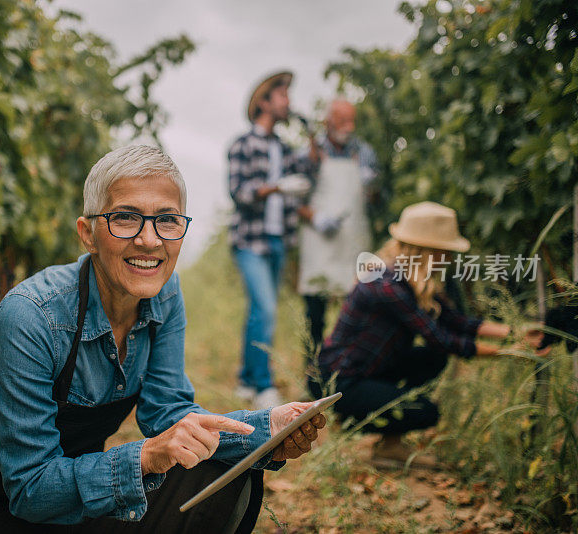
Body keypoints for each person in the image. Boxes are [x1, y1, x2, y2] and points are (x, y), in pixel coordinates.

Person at [0, 145, 327, 532]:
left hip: (73, 504)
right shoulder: (32, 315)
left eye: (167, 220)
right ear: (87, 234)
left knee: (217, 467)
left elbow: (167, 411)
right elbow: (30, 490)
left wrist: (267, 430)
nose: (150, 240)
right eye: (125, 218)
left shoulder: (165, 294)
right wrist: (146, 457)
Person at [308, 201, 546, 464]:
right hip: (337, 381)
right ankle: (353, 416)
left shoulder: (407, 279)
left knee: (431, 358)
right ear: (426, 251)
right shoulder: (386, 284)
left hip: (368, 369)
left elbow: (456, 320)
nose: (449, 259)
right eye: (445, 252)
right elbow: (440, 338)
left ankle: (387, 442)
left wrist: (517, 332)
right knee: (425, 411)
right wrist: (510, 352)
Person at [228, 71, 314, 410]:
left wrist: (311, 136)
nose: (288, 101)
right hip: (250, 241)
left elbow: (309, 170)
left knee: (258, 311)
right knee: (265, 308)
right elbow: (239, 193)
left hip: (278, 240)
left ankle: (246, 379)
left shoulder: (285, 148)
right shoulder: (243, 145)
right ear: (264, 102)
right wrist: (276, 188)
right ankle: (265, 386)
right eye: (282, 95)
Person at [297, 98, 379, 359]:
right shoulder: (310, 154)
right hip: (320, 243)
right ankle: (314, 375)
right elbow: (295, 202)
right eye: (343, 121)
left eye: (352, 120)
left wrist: (373, 188)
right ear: (328, 121)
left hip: (353, 244)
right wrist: (317, 217)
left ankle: (347, 368)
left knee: (357, 312)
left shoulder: (365, 153)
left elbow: (376, 199)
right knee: (315, 316)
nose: (349, 126)